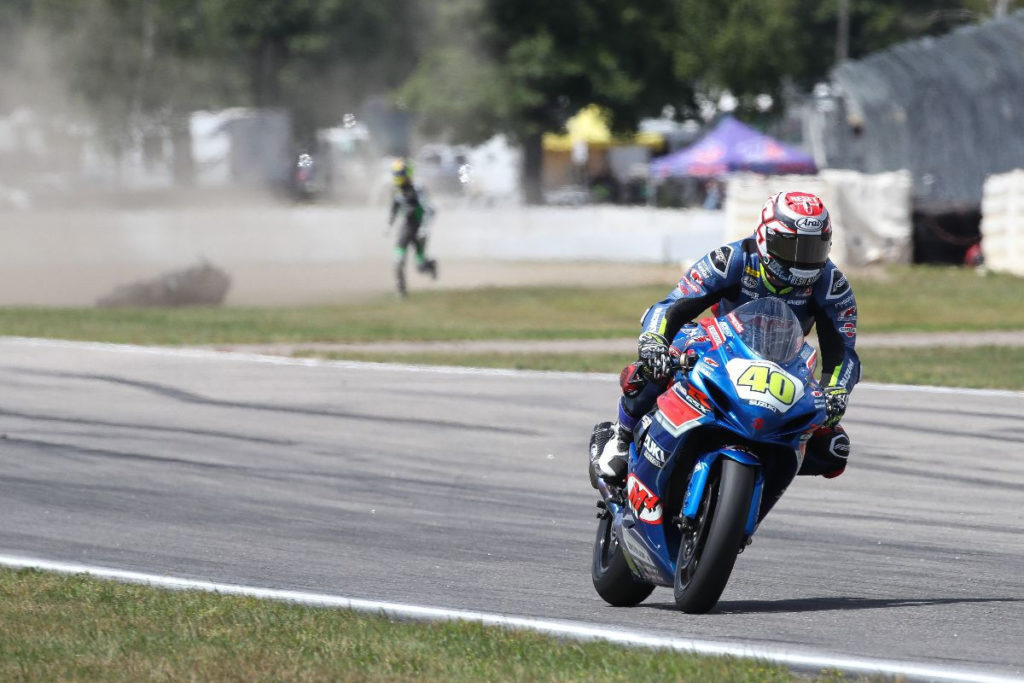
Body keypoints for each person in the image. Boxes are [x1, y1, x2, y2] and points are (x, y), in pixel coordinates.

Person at [589, 190, 859, 519]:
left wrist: (835, 391)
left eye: (814, 249)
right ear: (765, 237)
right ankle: (622, 434)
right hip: (718, 343)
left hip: (783, 364)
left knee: (833, 449)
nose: (803, 260)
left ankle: (752, 491)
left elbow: (843, 353)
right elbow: (674, 304)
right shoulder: (732, 259)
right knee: (654, 366)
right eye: (793, 247)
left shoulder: (832, 285)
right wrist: (654, 342)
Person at [387, 158, 437, 297]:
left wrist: (425, 228)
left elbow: (430, 210)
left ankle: (431, 265)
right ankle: (401, 290)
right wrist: (389, 225)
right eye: (395, 174)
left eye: (400, 174)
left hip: (420, 229)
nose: (397, 177)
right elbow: (394, 208)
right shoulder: (397, 191)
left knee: (420, 266)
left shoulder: (418, 188)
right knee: (398, 260)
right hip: (406, 228)